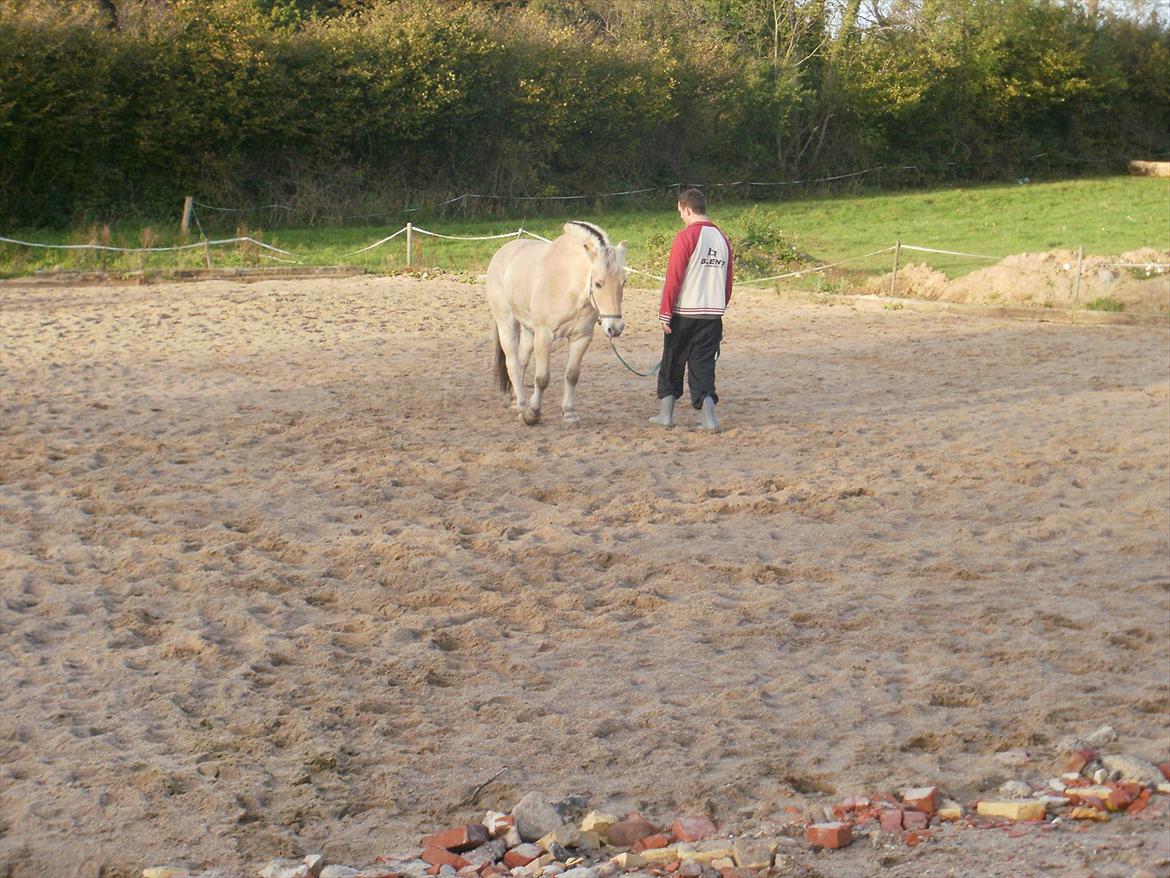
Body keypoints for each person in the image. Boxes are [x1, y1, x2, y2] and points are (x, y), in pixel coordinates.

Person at [649, 188, 733, 431]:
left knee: (672, 362)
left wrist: (665, 312)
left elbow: (674, 277)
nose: (681, 217)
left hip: (684, 313)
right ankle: (709, 418)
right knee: (704, 365)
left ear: (686, 209)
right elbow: (728, 282)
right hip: (712, 315)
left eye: (681, 213)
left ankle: (666, 416)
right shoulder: (722, 239)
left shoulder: (685, 237)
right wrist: (720, 308)